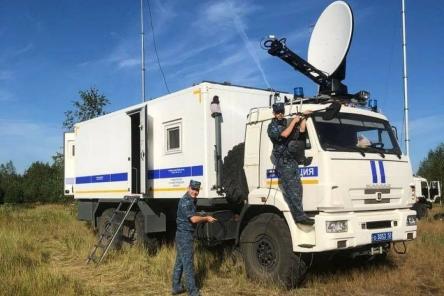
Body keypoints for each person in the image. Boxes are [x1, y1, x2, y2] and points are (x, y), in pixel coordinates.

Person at [267, 103, 314, 226]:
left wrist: (303, 118)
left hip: (292, 161)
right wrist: (294, 121)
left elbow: (302, 131)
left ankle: (300, 214)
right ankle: (299, 217)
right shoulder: (272, 126)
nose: (280, 114)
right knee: (291, 190)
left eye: (281, 111)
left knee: (298, 189)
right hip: (283, 162)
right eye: (278, 112)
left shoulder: (287, 123)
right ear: (274, 113)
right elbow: (284, 135)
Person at [172, 180, 217, 296]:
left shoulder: (191, 200)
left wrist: (201, 214)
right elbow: (193, 219)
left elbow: (192, 214)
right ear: (188, 188)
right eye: (193, 189)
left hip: (183, 235)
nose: (195, 192)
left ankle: (176, 287)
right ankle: (193, 292)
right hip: (184, 236)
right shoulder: (186, 201)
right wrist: (206, 218)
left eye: (197, 190)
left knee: (180, 262)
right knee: (188, 264)